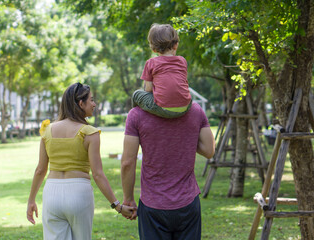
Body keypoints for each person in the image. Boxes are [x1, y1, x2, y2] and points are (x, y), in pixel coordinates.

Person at [27, 82, 135, 240]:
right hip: (78, 193)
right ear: (80, 103)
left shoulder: (47, 130)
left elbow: (40, 170)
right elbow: (98, 174)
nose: (94, 104)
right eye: (91, 100)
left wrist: (31, 200)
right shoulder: (89, 133)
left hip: (52, 194)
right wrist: (117, 206)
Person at [121, 101, 215, 239]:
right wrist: (184, 135)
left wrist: (128, 198)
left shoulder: (137, 114)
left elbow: (128, 162)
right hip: (187, 203)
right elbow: (209, 150)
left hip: (152, 205)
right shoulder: (194, 110)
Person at [132, 23, 193, 118]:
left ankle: (139, 118)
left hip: (163, 108)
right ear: (176, 45)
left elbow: (148, 89)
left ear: (154, 49)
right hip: (185, 106)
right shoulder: (182, 61)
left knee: (136, 94)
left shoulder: (151, 63)